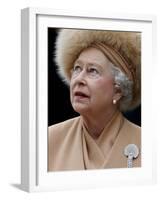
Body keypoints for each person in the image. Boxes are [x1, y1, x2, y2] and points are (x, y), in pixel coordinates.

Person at [48, 29, 141, 171]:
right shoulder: (49, 139)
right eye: (77, 68)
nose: (79, 79)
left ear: (118, 90)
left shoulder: (148, 142)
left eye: (93, 71)